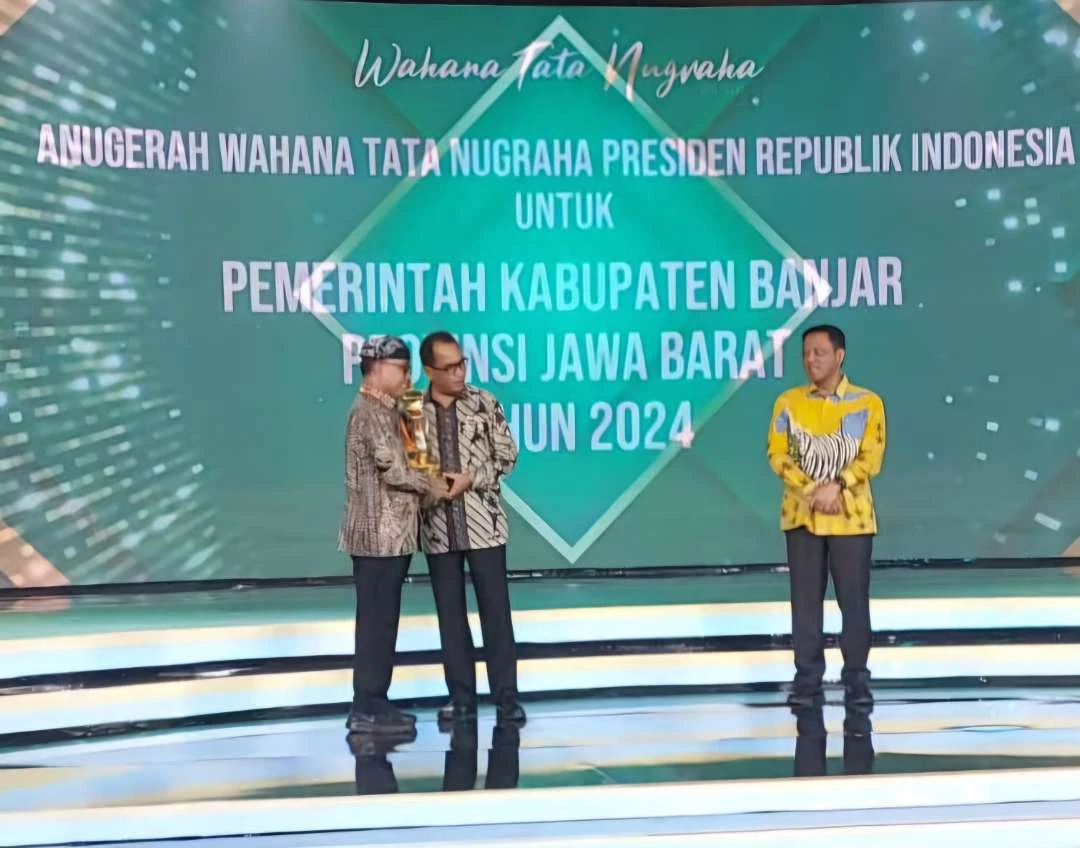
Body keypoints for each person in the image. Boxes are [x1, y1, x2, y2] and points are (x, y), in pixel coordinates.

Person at [766, 324, 886, 710]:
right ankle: (807, 681)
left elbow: (871, 456)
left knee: (854, 603)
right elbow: (777, 454)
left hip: (851, 518)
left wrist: (837, 486)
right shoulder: (788, 403)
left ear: (839, 355)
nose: (810, 360)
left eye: (819, 352)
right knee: (805, 604)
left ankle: (857, 680)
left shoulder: (867, 402)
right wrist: (812, 491)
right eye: (806, 353)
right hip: (802, 517)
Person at [338, 335, 451, 735]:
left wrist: (415, 419)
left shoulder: (397, 410)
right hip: (375, 537)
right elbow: (393, 469)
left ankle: (376, 700)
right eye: (402, 369)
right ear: (377, 369)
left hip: (395, 537)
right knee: (375, 623)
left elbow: (417, 458)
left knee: (385, 623)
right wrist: (431, 484)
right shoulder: (366, 412)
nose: (408, 378)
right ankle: (366, 705)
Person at [418, 331, 526, 727]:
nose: (458, 373)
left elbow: (508, 457)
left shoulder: (484, 402)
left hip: (485, 524)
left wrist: (471, 478)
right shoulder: (412, 411)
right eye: (448, 367)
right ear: (429, 370)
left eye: (461, 364)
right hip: (437, 528)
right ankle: (461, 698)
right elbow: (410, 467)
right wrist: (430, 485)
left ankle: (507, 698)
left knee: (496, 614)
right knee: (450, 617)